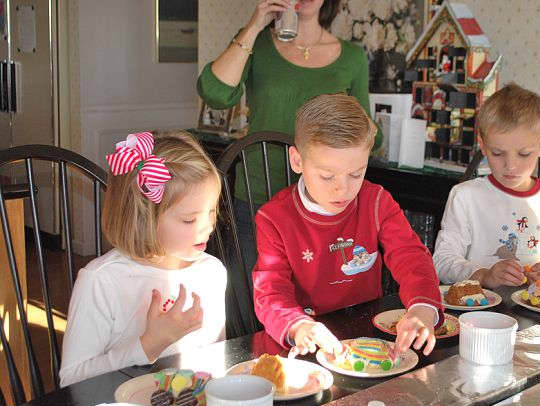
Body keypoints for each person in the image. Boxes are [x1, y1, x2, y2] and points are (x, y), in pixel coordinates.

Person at [197, 0, 382, 286]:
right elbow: (215, 94)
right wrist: (256, 23)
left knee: (316, 297)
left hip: (321, 203)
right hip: (258, 193)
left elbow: (370, 135)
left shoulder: (352, 57)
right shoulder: (257, 43)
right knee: (254, 297)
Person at [253, 94, 443, 358]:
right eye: (327, 175)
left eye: (356, 174)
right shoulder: (274, 218)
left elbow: (410, 256)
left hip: (371, 336)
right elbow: (271, 292)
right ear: (297, 161)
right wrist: (299, 326)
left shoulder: (376, 201)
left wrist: (422, 309)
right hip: (308, 342)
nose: (342, 188)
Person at [59, 131, 226, 386]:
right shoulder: (102, 281)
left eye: (212, 211)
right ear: (143, 219)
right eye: (189, 219)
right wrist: (150, 343)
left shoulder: (211, 272)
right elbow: (71, 379)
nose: (207, 227)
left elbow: (217, 358)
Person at [433, 83, 540, 288]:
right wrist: (484, 275)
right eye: (497, 153)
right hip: (479, 314)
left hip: (538, 313)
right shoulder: (465, 196)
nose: (510, 165)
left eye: (524, 154)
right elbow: (442, 261)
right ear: (483, 146)